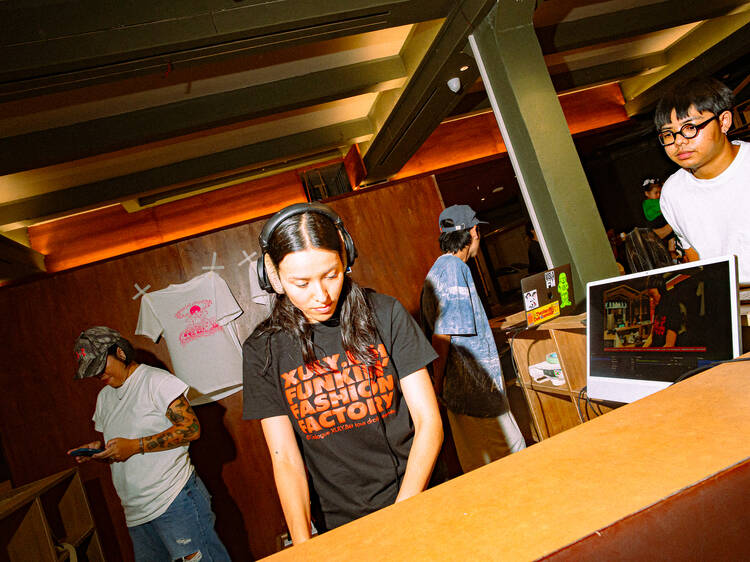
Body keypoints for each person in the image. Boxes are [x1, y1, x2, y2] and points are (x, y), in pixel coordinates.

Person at [242, 202, 442, 544]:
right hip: (343, 526)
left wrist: (403, 515)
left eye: (331, 275)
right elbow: (285, 459)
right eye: (301, 283)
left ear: (346, 258)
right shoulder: (263, 349)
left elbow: (428, 422)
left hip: (419, 498)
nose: (321, 295)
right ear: (274, 278)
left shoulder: (386, 314)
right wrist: (304, 546)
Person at [68, 326, 230, 562]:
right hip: (136, 513)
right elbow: (122, 449)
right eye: (91, 371)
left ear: (120, 352)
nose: (98, 375)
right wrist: (101, 452)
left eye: (100, 366)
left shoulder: (155, 381)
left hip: (174, 499)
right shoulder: (104, 398)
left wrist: (136, 445)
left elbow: (191, 428)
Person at [421, 205, 525, 475]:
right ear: (474, 232)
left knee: (481, 466)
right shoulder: (454, 269)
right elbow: (443, 333)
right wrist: (437, 383)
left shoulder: (439, 269)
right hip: (476, 391)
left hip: (462, 391)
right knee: (514, 455)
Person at [654, 76, 750, 283]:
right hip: (726, 300)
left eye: (690, 128)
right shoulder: (672, 192)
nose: (679, 141)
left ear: (723, 121)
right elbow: (695, 258)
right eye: (668, 134)